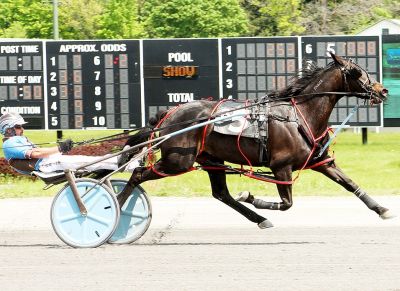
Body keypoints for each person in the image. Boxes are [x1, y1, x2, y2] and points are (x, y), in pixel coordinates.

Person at [0, 112, 139, 174]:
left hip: (47, 162)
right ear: (9, 129)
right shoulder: (9, 144)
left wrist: (60, 149)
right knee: (86, 162)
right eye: (18, 126)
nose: (22, 129)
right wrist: (60, 148)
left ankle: (129, 163)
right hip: (45, 165)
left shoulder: (17, 140)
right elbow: (37, 153)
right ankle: (130, 166)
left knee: (88, 160)